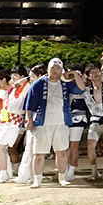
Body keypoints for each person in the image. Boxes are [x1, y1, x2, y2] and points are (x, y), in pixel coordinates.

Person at [23, 58, 86, 189]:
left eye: (58, 68)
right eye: (53, 68)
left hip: (61, 122)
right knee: (39, 153)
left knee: (61, 151)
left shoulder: (65, 84)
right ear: (48, 69)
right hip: (42, 122)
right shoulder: (39, 84)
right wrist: (29, 120)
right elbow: (30, 104)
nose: (55, 71)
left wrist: (74, 74)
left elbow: (81, 89)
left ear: (61, 70)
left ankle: (62, 177)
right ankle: (37, 179)